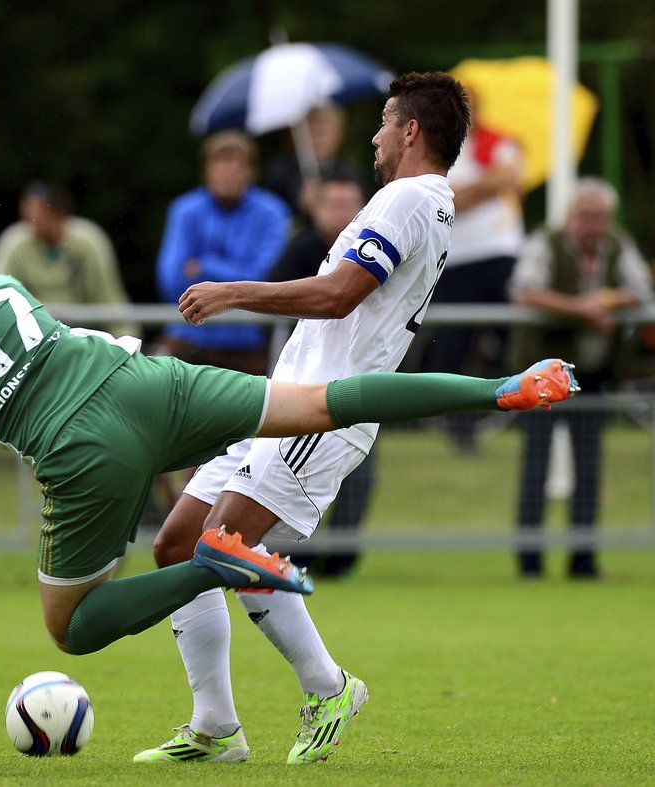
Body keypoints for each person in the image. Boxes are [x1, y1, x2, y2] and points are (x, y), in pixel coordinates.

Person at [0, 242, 577, 662]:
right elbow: (23, 356)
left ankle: (225, 564)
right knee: (321, 403)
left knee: (70, 626)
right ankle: (500, 385)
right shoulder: (0, 288)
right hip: (149, 381)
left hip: (85, 448)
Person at [135, 71, 473, 766]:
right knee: (176, 543)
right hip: (282, 400)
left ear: (411, 131)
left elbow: (339, 294)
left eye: (383, 122)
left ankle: (328, 685)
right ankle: (215, 725)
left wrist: (234, 290)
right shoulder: (423, 202)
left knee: (221, 543)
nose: (375, 136)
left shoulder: (407, 198)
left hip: (323, 411)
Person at [509, 177, 654, 579]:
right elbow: (525, 290)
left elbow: (641, 288)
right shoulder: (546, 242)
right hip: (541, 375)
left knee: (589, 468)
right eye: (586, 216)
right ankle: (530, 561)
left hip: (593, 374)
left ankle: (583, 559)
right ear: (571, 215)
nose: (593, 225)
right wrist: (581, 309)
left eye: (600, 218)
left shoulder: (617, 245)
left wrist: (604, 300)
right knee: (535, 466)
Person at [266, 173, 373, 578]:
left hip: (355, 379)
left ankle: (343, 555)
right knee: (292, 465)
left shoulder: (376, 246)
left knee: (358, 469)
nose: (342, 212)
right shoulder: (301, 249)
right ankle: (293, 552)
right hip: (304, 384)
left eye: (350, 203)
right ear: (314, 208)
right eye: (333, 203)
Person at [424, 88, 526, 452]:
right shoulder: (439, 148)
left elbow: (512, 183)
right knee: (454, 343)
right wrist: (490, 185)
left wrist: (464, 193)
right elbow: (446, 199)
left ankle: (524, 406)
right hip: (456, 259)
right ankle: (457, 425)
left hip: (500, 254)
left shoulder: (498, 141)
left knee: (513, 338)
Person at [155, 130, 290, 375]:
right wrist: (238, 280)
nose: (228, 172)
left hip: (248, 344)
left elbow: (267, 278)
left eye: (236, 164)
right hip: (188, 339)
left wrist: (205, 266)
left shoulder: (272, 212)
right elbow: (170, 280)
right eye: (220, 163)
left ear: (251, 171)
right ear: (206, 170)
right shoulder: (184, 210)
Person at [0, 181, 137, 338]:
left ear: (60, 214)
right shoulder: (15, 241)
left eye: (39, 215)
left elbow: (108, 296)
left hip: (82, 335)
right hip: (32, 336)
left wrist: (126, 341)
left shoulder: (87, 240)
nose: (31, 219)